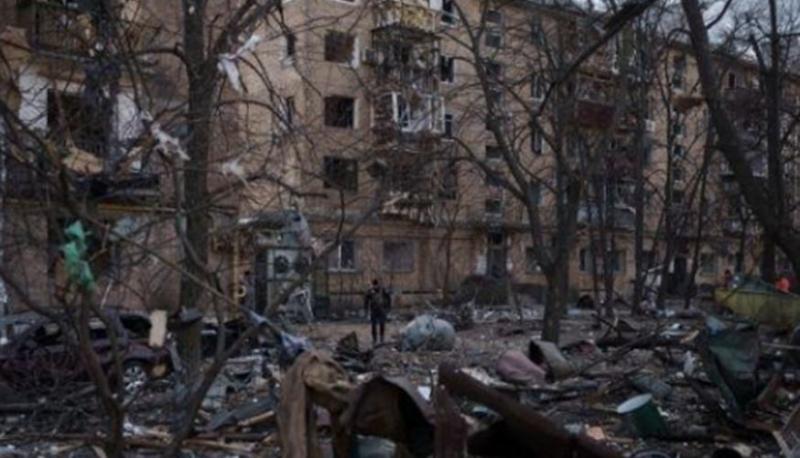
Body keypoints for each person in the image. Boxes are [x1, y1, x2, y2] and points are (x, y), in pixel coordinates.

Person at [364, 278, 391, 345]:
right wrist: (366, 311)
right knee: (373, 325)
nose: (375, 286)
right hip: (374, 310)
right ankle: (374, 339)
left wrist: (388, 308)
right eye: (374, 285)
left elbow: (388, 298)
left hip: (382, 310)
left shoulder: (383, 290)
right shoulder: (370, 291)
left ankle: (381, 338)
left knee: (382, 324)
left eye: (376, 285)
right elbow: (366, 301)